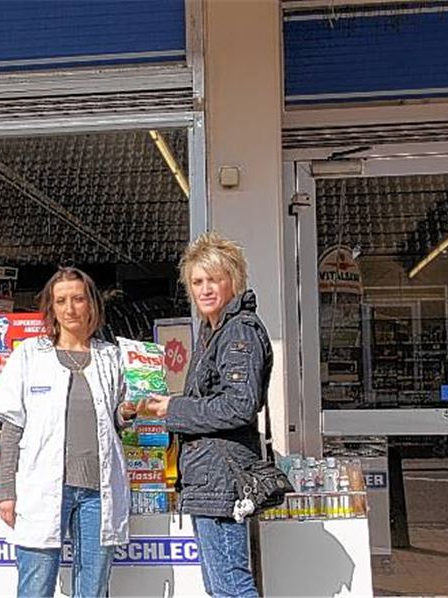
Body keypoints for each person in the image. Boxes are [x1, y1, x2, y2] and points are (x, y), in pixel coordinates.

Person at [0, 267, 136, 598]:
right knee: (35, 587)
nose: (70, 308)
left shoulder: (110, 356)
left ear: (91, 304)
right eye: (61, 300)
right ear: (51, 308)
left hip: (98, 491)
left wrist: (126, 413)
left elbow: (114, 421)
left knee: (93, 589)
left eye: (78, 299)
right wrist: (5, 491)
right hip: (42, 487)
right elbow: (12, 428)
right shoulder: (30, 355)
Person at [139, 232, 273, 598]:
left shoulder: (238, 331)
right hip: (209, 475)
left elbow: (238, 405)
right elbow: (216, 399)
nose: (206, 289)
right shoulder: (213, 331)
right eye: (197, 281)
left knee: (231, 586)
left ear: (234, 280)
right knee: (221, 587)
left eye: (214, 279)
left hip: (222, 476)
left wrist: (175, 409)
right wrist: (170, 403)